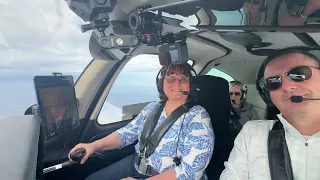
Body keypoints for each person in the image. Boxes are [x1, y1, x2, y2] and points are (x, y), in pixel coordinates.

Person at [69, 63, 215, 180]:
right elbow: (126, 134)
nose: (176, 83)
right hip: (137, 166)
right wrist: (93, 146)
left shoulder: (198, 118)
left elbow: (191, 172)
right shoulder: (152, 108)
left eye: (183, 78)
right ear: (161, 83)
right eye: (170, 77)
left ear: (191, 85)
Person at [220, 47, 320, 180]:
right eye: (273, 82)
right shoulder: (253, 133)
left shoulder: (251, 111)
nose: (287, 86)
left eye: (299, 74)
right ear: (268, 96)